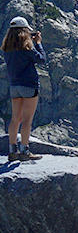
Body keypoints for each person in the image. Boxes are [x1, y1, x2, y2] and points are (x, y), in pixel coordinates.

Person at [2, 16, 46, 161]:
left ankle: (12, 151)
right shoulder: (27, 47)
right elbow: (41, 60)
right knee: (27, 120)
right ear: (24, 31)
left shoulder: (7, 50)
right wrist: (38, 43)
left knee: (15, 119)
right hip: (29, 85)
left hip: (14, 86)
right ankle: (25, 151)